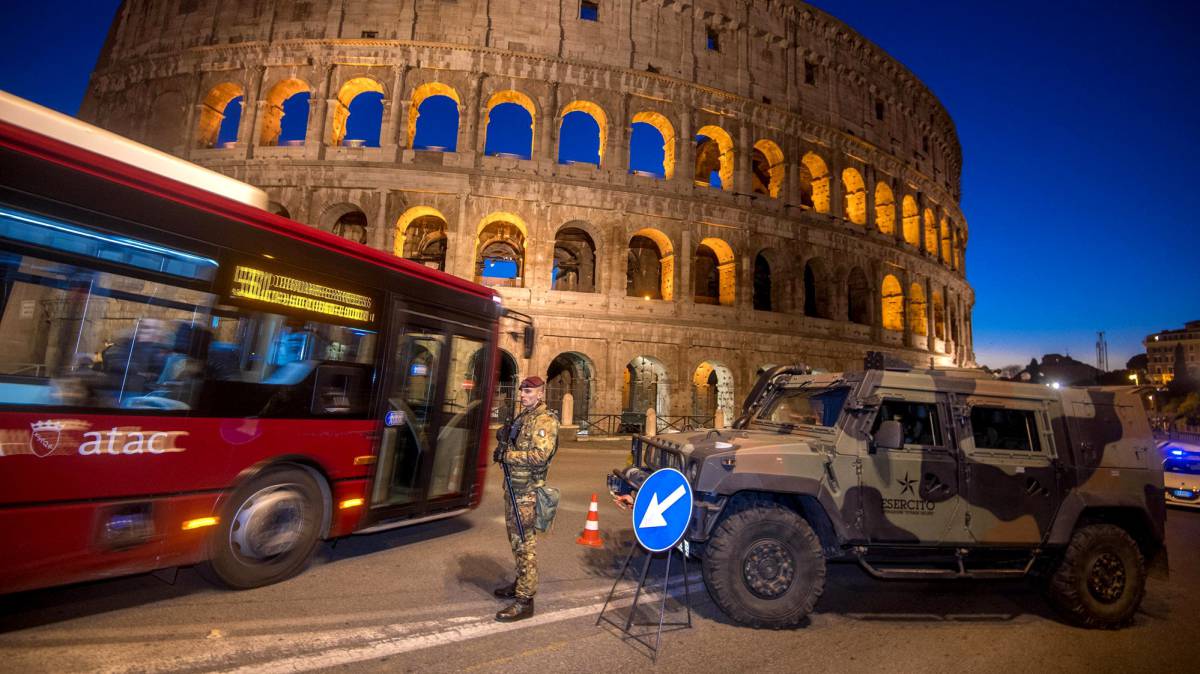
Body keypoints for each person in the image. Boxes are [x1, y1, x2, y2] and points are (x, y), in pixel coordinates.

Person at [492, 375, 559, 622]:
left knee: (526, 543)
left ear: (541, 394)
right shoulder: (524, 417)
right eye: (522, 392)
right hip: (514, 488)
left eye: (529, 392)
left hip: (527, 492)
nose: (523, 396)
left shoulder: (545, 420)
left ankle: (524, 600)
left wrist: (508, 455)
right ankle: (520, 582)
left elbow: (540, 456)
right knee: (516, 541)